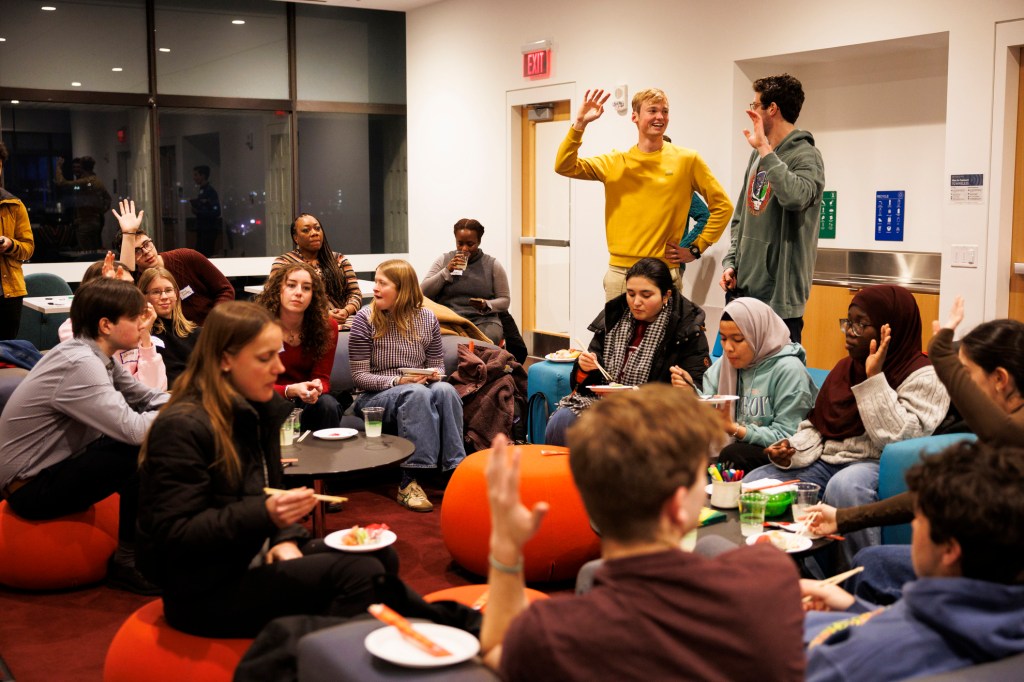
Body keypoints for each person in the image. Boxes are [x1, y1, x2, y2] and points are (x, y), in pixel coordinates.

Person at [480, 384, 805, 680]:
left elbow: (495, 651)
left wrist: (506, 546)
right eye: (699, 477)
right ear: (679, 506)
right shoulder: (771, 578)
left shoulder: (547, 635)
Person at [135, 301, 398, 637]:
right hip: (204, 591)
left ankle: (320, 649)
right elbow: (174, 537)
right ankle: (303, 658)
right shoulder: (181, 427)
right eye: (264, 358)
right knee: (358, 576)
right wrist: (266, 516)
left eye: (278, 354)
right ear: (226, 359)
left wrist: (284, 538)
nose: (278, 368)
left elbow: (261, 495)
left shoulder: (258, 410)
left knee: (380, 559)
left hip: (250, 555)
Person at [804, 298, 1024, 601]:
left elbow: (1004, 435)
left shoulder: (1007, 432)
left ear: (999, 379)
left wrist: (942, 355)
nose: (958, 389)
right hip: (979, 561)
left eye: (966, 375)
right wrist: (842, 517)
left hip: (1003, 580)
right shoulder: (997, 434)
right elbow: (940, 493)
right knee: (869, 565)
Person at [744, 284, 949, 557]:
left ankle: (860, 578)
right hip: (826, 461)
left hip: (875, 464)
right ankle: (790, 572)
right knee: (757, 482)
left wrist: (874, 378)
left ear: (891, 330)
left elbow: (899, 439)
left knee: (845, 486)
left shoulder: (925, 376)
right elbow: (817, 426)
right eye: (848, 323)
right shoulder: (845, 367)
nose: (850, 333)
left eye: (861, 325)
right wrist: (792, 450)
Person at [801, 441, 1024, 681]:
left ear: (949, 549)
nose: (914, 523)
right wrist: (856, 609)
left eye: (919, 517)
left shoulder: (844, 663)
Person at [0, 278, 168, 594]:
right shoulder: (82, 364)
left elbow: (143, 396)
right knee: (138, 449)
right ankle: (128, 562)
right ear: (106, 325)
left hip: (50, 469)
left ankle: (148, 545)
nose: (142, 325)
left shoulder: (92, 353)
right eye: (135, 319)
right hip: (29, 489)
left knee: (143, 442)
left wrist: (195, 401)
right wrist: (185, 414)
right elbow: (133, 429)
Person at [555, 87, 733, 301]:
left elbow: (723, 206)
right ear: (635, 117)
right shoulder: (614, 162)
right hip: (621, 273)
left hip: (664, 272)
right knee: (617, 336)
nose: (660, 117)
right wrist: (580, 124)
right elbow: (564, 166)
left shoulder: (687, 160)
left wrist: (696, 248)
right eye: (653, 110)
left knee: (664, 336)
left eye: (665, 111)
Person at [545, 257, 710, 446]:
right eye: (631, 294)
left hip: (655, 411)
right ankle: (562, 475)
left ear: (666, 296)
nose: (636, 302)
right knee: (562, 421)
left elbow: (699, 387)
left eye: (646, 295)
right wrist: (583, 368)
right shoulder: (615, 317)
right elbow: (583, 385)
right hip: (606, 404)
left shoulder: (686, 328)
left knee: (620, 433)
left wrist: (686, 386)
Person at [348, 259, 467, 512]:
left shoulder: (427, 319)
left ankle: (455, 471)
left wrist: (433, 375)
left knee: (445, 390)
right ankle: (409, 479)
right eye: (376, 282)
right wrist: (399, 381)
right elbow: (359, 377)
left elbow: (439, 367)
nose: (375, 289)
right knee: (415, 392)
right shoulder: (363, 319)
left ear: (402, 290)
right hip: (373, 398)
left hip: (417, 388)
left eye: (383, 283)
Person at [720, 74, 825, 344]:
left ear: (772, 109)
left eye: (755, 105)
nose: (752, 111)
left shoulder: (806, 155)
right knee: (737, 378)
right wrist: (732, 263)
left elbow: (795, 197)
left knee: (778, 380)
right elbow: (742, 216)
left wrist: (767, 152)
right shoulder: (756, 154)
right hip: (742, 291)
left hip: (779, 301)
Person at [671, 297, 818, 470]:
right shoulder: (724, 365)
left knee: (734, 455)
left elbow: (788, 437)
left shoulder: (789, 370)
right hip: (734, 443)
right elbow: (712, 419)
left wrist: (736, 430)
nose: (728, 348)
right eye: (724, 339)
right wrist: (692, 394)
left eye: (738, 339)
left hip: (777, 455)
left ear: (758, 334)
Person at [112, 200, 235, 325]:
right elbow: (123, 290)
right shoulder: (135, 279)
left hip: (206, 328)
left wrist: (214, 322)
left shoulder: (186, 257)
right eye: (137, 251)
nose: (146, 252)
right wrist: (128, 234)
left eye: (147, 244)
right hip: (167, 336)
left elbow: (225, 290)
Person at [58, 253, 167, 391]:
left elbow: (155, 388)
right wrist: (105, 300)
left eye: (132, 285)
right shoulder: (72, 329)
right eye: (120, 286)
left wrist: (145, 335)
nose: (131, 293)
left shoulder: (134, 327)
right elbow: (102, 385)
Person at [254, 263, 342, 432]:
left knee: (327, 404)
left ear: (313, 295)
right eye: (291, 285)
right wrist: (289, 390)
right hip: (268, 397)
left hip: (307, 400)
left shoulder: (326, 327)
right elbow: (253, 384)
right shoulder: (258, 325)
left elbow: (322, 377)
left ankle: (325, 457)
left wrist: (318, 386)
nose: (299, 292)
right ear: (278, 290)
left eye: (306, 288)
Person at [420, 218, 511, 345]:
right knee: (433, 340)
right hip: (451, 319)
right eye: (460, 243)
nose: (464, 249)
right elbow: (423, 292)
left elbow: (505, 300)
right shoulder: (444, 260)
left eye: (470, 244)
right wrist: (446, 271)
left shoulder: (492, 265)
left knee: (480, 344)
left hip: (483, 320)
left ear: (479, 242)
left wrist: (487, 304)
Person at [271, 213, 363, 328]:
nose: (314, 233)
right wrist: (323, 315)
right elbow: (276, 298)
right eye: (306, 230)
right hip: (305, 323)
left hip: (344, 321)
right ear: (296, 238)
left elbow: (355, 293)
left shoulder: (339, 259)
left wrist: (346, 311)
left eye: (317, 228)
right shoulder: (284, 263)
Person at [138, 267, 200, 388]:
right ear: (144, 297)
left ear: (176, 294)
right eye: (156, 292)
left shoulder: (197, 333)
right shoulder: (144, 337)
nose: (164, 296)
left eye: (168, 290)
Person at [0, 142, 35, 340]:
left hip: (8, 293)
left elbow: (28, 247)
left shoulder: (13, 204)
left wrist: (9, 244)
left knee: (6, 352)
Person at [54, 155, 111, 252]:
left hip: (86, 221)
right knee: (95, 249)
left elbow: (61, 182)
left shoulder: (86, 181)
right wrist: (100, 210)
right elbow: (108, 198)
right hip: (95, 220)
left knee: (87, 252)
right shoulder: (97, 181)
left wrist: (58, 167)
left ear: (83, 168)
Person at [189, 165, 222, 257]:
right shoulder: (202, 190)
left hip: (209, 229)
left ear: (203, 176)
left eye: (196, 175)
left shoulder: (210, 191)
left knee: (206, 254)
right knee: (200, 254)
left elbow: (216, 212)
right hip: (202, 228)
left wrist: (199, 212)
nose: (194, 178)